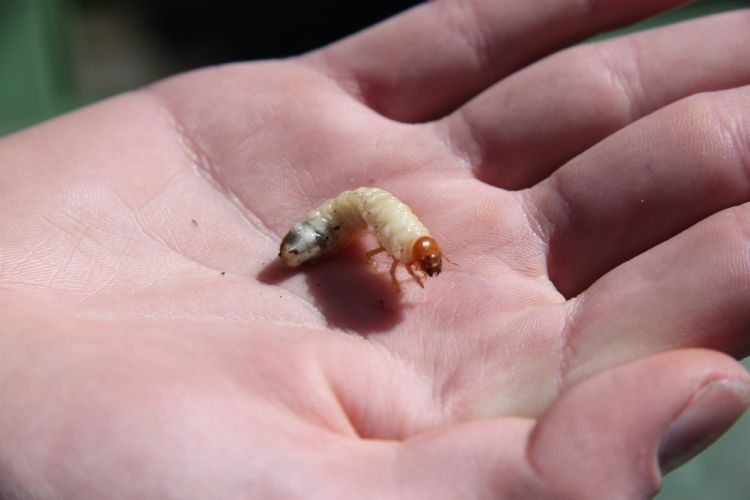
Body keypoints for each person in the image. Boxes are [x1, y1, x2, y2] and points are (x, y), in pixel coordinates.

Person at [2, 0, 750, 498]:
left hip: (353, 217)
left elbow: (388, 234)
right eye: (422, 263)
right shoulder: (378, 230)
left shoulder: (392, 237)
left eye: (421, 265)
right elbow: (379, 227)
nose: (419, 272)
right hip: (345, 216)